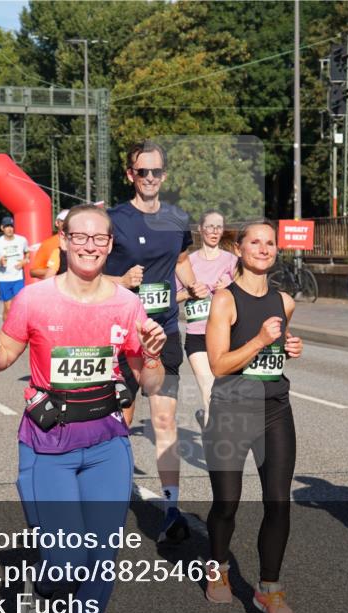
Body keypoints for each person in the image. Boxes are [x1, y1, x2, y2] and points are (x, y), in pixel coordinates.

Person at [0, 204, 167, 613]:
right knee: (65, 560)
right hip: (48, 443)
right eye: (80, 237)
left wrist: (154, 356)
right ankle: (38, 589)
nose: (90, 246)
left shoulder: (128, 303)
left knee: (102, 554)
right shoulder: (34, 299)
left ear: (110, 245)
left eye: (99, 239)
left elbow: (150, 383)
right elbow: (3, 359)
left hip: (106, 440)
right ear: (63, 239)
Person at [104, 139, 205, 544]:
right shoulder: (112, 220)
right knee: (120, 422)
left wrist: (198, 288)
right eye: (141, 172)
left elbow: (181, 260)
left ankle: (171, 509)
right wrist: (120, 281)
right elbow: (83, 272)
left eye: (156, 172)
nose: (149, 178)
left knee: (164, 423)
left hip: (164, 333)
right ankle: (109, 498)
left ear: (164, 175)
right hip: (120, 336)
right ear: (130, 174)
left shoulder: (178, 218)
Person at [202, 220, 302, 613]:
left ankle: (269, 589)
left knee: (278, 501)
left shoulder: (285, 301)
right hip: (231, 408)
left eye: (270, 243)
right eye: (255, 242)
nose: (264, 249)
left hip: (275, 407)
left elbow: (279, 345)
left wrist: (290, 347)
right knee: (227, 502)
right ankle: (218, 565)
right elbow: (219, 364)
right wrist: (260, 341)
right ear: (239, 249)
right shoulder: (225, 300)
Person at [176, 211, 237, 427]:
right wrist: (189, 293)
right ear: (200, 230)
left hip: (226, 336)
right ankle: (215, 455)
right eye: (209, 227)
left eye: (218, 227)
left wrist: (230, 289)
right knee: (210, 390)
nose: (214, 231)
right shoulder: (187, 263)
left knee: (225, 394)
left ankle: (208, 422)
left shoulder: (233, 261)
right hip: (198, 335)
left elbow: (248, 295)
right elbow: (171, 298)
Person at [0, 217, 30, 321]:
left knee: (19, 305)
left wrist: (24, 261)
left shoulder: (22, 240)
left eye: (11, 226)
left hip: (18, 278)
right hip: (4, 279)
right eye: (7, 226)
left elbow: (27, 253)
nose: (9, 229)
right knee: (8, 307)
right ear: (2, 228)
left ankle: (17, 330)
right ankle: (6, 330)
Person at [29, 209, 67, 279]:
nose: (67, 224)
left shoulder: (83, 241)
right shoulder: (48, 244)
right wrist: (54, 269)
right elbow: (33, 272)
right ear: (56, 223)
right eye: (63, 221)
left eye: (70, 221)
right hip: (56, 287)